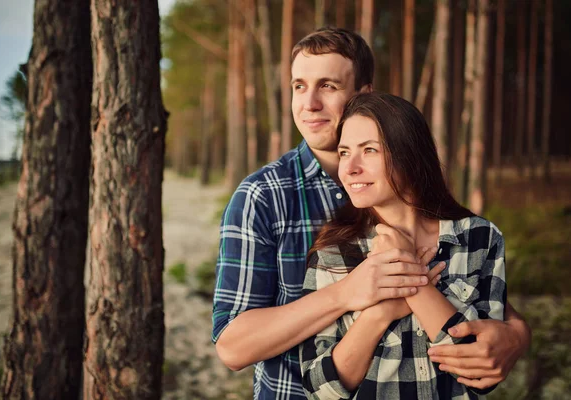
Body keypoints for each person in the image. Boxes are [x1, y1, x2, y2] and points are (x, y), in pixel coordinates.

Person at [212, 27, 530, 400]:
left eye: (328, 86)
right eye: (299, 86)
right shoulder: (263, 195)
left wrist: (519, 335)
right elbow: (232, 348)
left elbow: (477, 296)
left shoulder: (409, 193)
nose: (309, 103)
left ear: (364, 95)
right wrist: (356, 292)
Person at [300, 92, 506, 399]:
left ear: (410, 154)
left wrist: (408, 272)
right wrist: (379, 314)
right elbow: (321, 390)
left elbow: (481, 372)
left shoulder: (478, 238)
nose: (350, 168)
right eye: (344, 153)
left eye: (369, 150)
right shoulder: (334, 252)